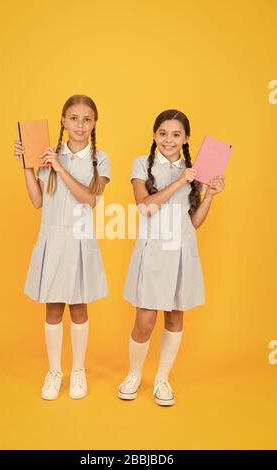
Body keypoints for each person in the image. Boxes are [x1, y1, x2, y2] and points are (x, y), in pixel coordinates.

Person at [120, 109, 225, 406]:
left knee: (175, 316)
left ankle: (162, 380)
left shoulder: (197, 170)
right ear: (154, 135)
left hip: (182, 251)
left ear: (186, 138)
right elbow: (144, 206)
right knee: (145, 319)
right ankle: (134, 374)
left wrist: (211, 195)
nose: (169, 140)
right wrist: (180, 181)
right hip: (152, 251)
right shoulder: (142, 164)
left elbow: (194, 222)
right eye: (163, 133)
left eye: (176, 134)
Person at [14, 94, 110, 401]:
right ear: (63, 121)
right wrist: (28, 167)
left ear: (94, 123)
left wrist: (60, 166)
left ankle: (78, 371)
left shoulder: (100, 158)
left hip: (80, 242)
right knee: (53, 308)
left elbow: (90, 199)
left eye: (87, 119)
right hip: (52, 240)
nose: (80, 125)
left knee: (79, 308)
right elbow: (37, 201)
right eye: (74, 118)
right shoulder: (48, 155)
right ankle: (55, 372)